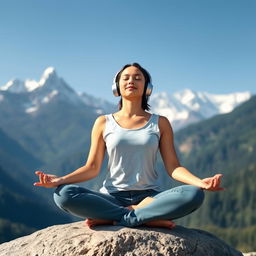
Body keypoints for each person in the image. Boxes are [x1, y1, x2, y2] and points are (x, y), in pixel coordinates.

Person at [34, 62, 224, 229]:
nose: (131, 81)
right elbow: (91, 168)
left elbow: (173, 167)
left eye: (137, 78)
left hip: (150, 198)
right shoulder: (103, 122)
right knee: (63, 194)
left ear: (147, 87)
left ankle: (114, 218)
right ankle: (141, 218)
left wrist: (200, 182)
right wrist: (60, 180)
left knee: (193, 194)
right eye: (125, 78)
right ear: (117, 86)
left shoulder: (161, 122)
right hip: (111, 197)